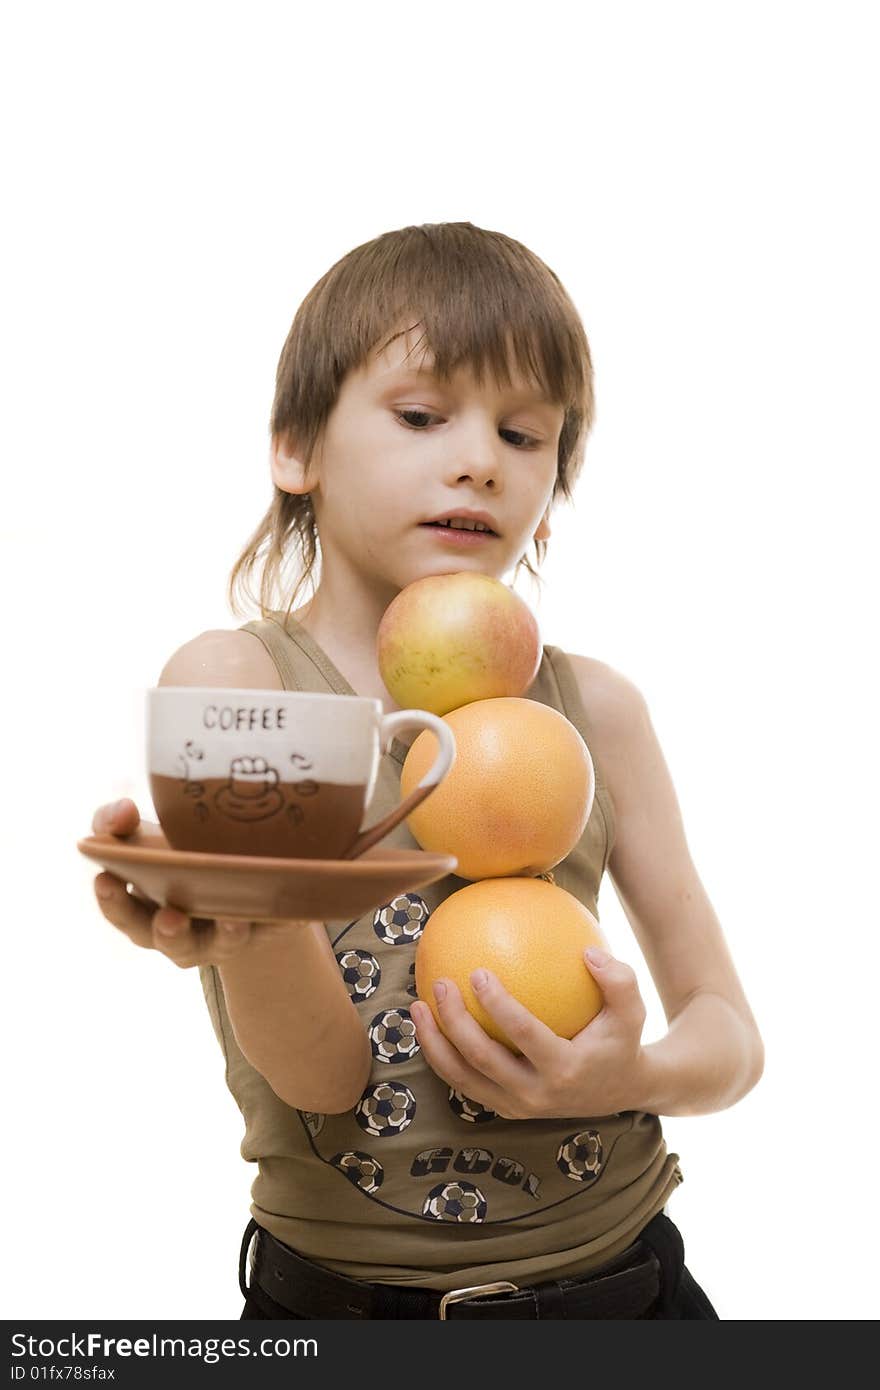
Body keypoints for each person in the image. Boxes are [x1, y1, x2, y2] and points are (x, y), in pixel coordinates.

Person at [90, 221, 763, 1320]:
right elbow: (323, 1081)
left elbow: (727, 1037)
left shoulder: (599, 710)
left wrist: (628, 1077)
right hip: (344, 1311)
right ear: (295, 448)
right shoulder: (245, 684)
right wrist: (246, 921)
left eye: (524, 434)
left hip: (630, 1286)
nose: (478, 460)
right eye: (419, 416)